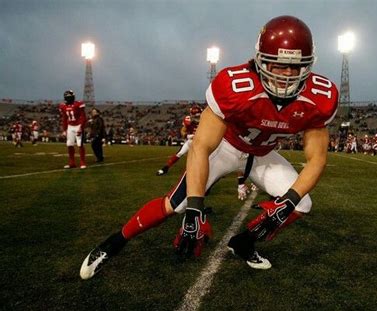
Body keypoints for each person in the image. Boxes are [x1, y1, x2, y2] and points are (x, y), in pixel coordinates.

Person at [80, 15, 338, 279]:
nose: (286, 74)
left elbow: (317, 159)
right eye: (279, 64)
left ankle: (244, 243)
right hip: (226, 148)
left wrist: (286, 203)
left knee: (301, 204)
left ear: (309, 65)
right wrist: (195, 206)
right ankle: (114, 243)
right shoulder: (234, 85)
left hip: (261, 155)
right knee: (175, 206)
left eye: (295, 67)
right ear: (261, 60)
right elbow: (201, 147)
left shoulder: (320, 96)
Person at [156, 104, 202, 176]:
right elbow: (183, 130)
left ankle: (215, 172)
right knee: (179, 153)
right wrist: (187, 135)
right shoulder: (188, 119)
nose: (195, 117)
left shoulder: (205, 119)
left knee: (207, 156)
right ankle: (165, 169)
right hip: (191, 140)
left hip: (202, 141)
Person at [59, 90, 87, 169]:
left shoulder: (78, 104)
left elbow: (83, 117)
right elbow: (64, 118)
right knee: (70, 144)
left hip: (78, 125)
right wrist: (64, 129)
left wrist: (81, 127)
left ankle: (82, 162)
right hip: (70, 126)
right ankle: (72, 163)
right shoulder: (63, 106)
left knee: (80, 144)